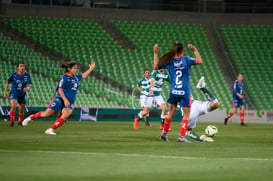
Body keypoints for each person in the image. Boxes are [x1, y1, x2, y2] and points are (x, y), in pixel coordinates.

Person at [22, 60, 96, 135]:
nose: (76, 70)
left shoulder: (76, 78)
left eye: (76, 68)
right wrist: (65, 100)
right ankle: (30, 118)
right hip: (60, 99)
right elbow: (60, 90)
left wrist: (91, 68)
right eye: (74, 68)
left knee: (66, 114)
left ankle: (50, 129)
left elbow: (84, 75)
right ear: (69, 69)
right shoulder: (64, 78)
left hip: (70, 101)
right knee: (47, 114)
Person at [157, 42, 202, 143]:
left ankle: (164, 133)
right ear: (182, 50)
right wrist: (195, 50)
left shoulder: (170, 61)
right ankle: (181, 136)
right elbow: (199, 61)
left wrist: (155, 53)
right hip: (184, 91)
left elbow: (157, 67)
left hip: (174, 91)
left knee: (171, 112)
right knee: (186, 115)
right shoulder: (186, 59)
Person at [181, 76, 220, 142]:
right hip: (191, 109)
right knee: (216, 104)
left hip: (192, 107)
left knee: (216, 105)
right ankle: (202, 87)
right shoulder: (180, 88)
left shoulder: (177, 89)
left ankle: (202, 87)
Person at [3, 62, 32, 127]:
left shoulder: (27, 75)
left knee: (21, 110)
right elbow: (8, 82)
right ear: (18, 67)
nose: (22, 67)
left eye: (23, 66)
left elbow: (30, 84)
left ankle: (19, 122)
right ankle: (12, 121)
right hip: (14, 92)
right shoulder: (14, 74)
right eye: (21, 66)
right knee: (13, 106)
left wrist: (27, 88)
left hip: (22, 94)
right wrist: (5, 91)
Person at [150, 44, 171, 131]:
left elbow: (173, 82)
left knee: (165, 109)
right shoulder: (155, 72)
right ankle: (137, 119)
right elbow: (152, 80)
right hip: (150, 93)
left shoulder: (166, 75)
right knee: (145, 111)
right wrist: (155, 54)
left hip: (157, 94)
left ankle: (162, 125)